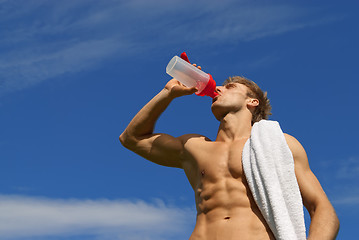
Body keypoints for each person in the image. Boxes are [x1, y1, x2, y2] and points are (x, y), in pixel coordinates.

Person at [119, 67, 340, 239]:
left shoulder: (281, 144)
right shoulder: (194, 147)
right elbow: (131, 138)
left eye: (230, 87)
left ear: (252, 102)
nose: (218, 89)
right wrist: (168, 93)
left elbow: (322, 209)